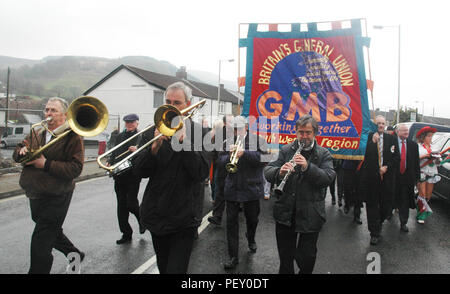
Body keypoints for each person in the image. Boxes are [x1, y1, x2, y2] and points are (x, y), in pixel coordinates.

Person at [132, 82, 210, 274]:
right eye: (168, 101)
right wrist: (153, 148)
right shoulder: (153, 130)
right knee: (163, 266)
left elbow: (201, 172)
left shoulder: (200, 132)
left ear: (188, 104)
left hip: (184, 217)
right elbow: (139, 171)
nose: (171, 106)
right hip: (157, 213)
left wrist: (183, 141)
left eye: (177, 102)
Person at [12, 97, 85, 274]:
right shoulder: (37, 130)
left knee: (40, 240)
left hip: (58, 194)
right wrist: (20, 152)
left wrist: (45, 164)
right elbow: (19, 152)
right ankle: (73, 252)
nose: (48, 114)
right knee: (49, 230)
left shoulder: (72, 136)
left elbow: (76, 168)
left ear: (65, 114)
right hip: (35, 191)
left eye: (53, 110)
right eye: (46, 110)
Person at [264, 115, 335, 274]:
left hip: (311, 214)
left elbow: (328, 178)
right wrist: (279, 172)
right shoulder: (285, 150)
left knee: (307, 258)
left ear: (315, 133)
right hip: (286, 212)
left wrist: (307, 167)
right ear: (296, 132)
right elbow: (267, 170)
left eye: (308, 133)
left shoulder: (323, 154)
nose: (304, 136)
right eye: (300, 132)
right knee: (285, 258)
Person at [218, 116, 267, 269]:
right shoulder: (227, 141)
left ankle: (251, 237)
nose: (237, 131)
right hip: (233, 187)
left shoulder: (258, 140)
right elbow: (220, 161)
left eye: (239, 128)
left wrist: (244, 153)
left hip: (251, 187)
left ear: (246, 127)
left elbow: (265, 158)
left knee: (252, 219)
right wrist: (229, 156)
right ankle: (233, 256)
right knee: (231, 223)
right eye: (234, 128)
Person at [360, 115, 399, 245]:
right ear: (374, 125)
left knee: (385, 206)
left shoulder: (392, 139)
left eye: (382, 123)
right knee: (372, 206)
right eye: (378, 123)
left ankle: (380, 222)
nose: (380, 125)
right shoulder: (368, 138)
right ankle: (374, 232)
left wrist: (386, 167)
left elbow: (396, 158)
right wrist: (372, 143)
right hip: (371, 179)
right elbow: (363, 156)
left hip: (386, 179)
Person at [107, 113, 144, 244]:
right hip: (119, 175)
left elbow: (146, 154)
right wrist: (110, 162)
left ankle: (141, 220)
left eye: (132, 122)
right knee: (121, 206)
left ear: (137, 123)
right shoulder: (119, 136)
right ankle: (126, 233)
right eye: (127, 122)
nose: (129, 124)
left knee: (131, 203)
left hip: (133, 174)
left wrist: (138, 150)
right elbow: (114, 152)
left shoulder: (141, 136)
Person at [207, 114, 234, 226]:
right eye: (229, 122)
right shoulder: (219, 134)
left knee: (233, 190)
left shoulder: (237, 132)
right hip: (221, 166)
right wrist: (215, 161)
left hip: (234, 166)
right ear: (224, 123)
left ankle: (235, 212)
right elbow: (213, 149)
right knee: (219, 191)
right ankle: (217, 216)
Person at [393, 124, 420, 232]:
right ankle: (387, 213)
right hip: (394, 177)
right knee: (391, 198)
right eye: (403, 130)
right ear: (397, 132)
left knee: (404, 201)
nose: (406, 132)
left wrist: (417, 179)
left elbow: (416, 163)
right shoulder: (391, 143)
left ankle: (403, 222)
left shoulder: (413, 145)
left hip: (407, 178)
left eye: (407, 130)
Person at [416, 126, 441, 224]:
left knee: (428, 195)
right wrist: (425, 156)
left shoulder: (434, 148)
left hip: (432, 173)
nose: (431, 138)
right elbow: (415, 159)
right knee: (422, 194)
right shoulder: (418, 147)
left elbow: (438, 163)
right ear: (423, 137)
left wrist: (438, 159)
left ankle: (422, 208)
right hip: (422, 172)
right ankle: (420, 214)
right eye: (429, 136)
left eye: (432, 136)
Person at [342, 159, 364, 224]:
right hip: (348, 168)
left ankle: (357, 215)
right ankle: (347, 204)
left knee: (359, 192)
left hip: (361, 168)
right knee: (347, 188)